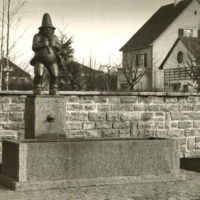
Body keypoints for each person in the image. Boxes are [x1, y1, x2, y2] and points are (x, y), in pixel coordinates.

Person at [30, 13, 61, 95]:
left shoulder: (54, 37)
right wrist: (43, 44)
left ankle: (53, 89)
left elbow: (59, 48)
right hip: (40, 59)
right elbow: (34, 47)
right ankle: (37, 88)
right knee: (39, 74)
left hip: (52, 60)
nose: (48, 30)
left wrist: (54, 45)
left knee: (55, 75)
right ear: (42, 29)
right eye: (46, 29)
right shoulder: (37, 36)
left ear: (52, 30)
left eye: (50, 29)